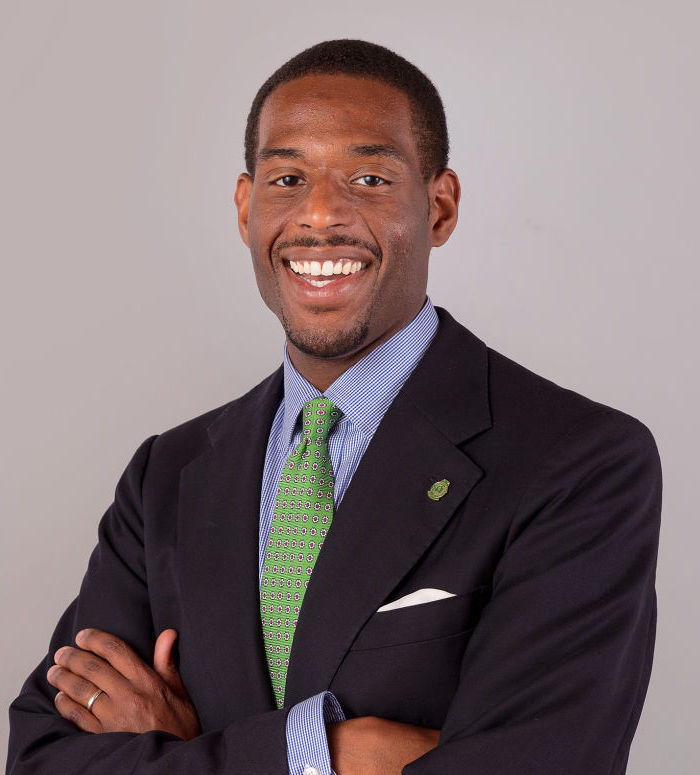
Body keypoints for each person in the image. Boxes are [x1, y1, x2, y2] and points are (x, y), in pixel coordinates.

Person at [6, 39, 662, 775]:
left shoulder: (579, 462)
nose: (320, 214)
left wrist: (185, 753)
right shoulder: (167, 475)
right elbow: (42, 759)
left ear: (439, 207)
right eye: (288, 178)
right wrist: (330, 750)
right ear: (246, 208)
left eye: (370, 178)